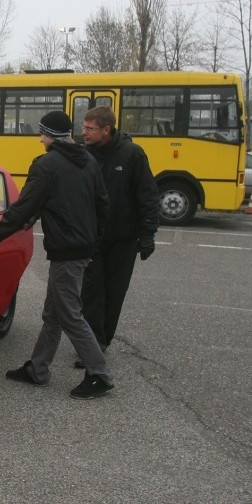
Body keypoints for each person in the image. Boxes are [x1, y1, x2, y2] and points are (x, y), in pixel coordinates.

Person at [0, 110, 113, 399]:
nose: (39, 139)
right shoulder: (88, 159)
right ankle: (38, 368)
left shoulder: (46, 165)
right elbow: (103, 206)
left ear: (49, 135)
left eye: (42, 134)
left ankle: (99, 374)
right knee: (54, 312)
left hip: (66, 250)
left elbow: (21, 210)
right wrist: (94, 245)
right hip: (82, 247)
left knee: (70, 315)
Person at [77, 106, 159, 368]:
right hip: (92, 239)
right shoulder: (84, 155)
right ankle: (92, 347)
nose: (83, 133)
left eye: (89, 129)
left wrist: (147, 234)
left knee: (114, 293)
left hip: (124, 239)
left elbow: (147, 195)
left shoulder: (132, 154)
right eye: (83, 127)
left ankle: (102, 342)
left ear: (106, 130)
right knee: (91, 293)